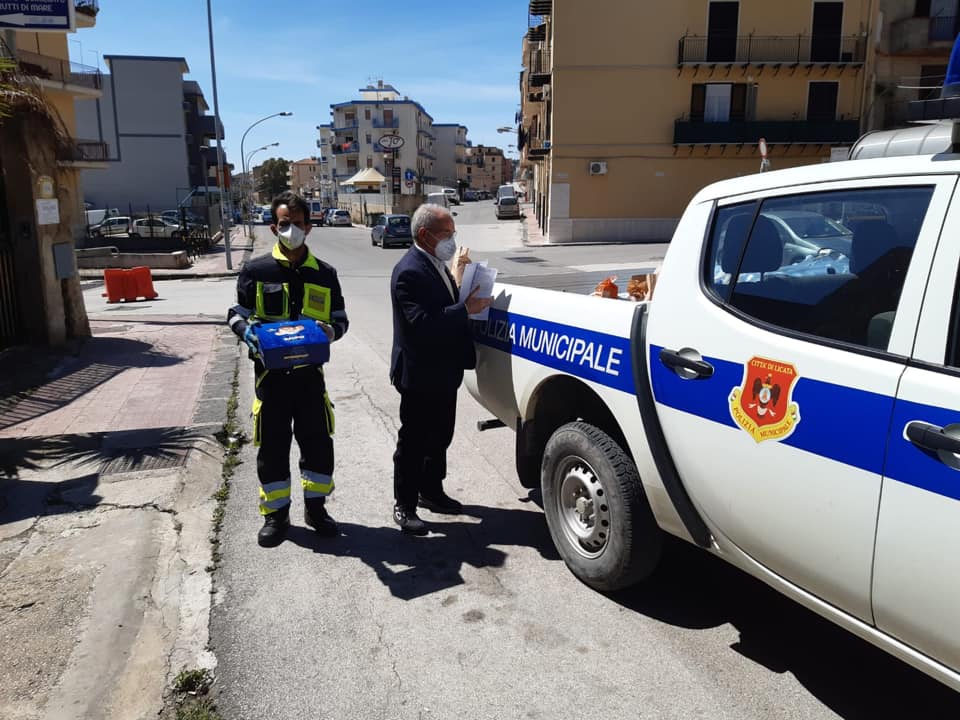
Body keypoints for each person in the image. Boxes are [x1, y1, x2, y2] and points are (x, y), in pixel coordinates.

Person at [226, 191, 349, 547]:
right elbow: (237, 313)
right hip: (271, 380)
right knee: (273, 449)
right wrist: (247, 333)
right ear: (273, 226)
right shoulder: (256, 269)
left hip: (311, 379)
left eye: (297, 224)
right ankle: (276, 516)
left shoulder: (325, 274)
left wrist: (331, 331)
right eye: (284, 224)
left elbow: (340, 318)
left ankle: (316, 508)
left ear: (309, 227)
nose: (291, 230)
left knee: (318, 446)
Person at [389, 203, 492, 535]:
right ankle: (404, 505)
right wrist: (465, 309)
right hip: (420, 373)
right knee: (414, 441)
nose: (452, 240)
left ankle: (431, 491)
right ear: (425, 234)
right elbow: (421, 323)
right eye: (447, 234)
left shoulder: (436, 263)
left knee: (440, 436)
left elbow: (444, 305)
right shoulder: (409, 270)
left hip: (444, 371)